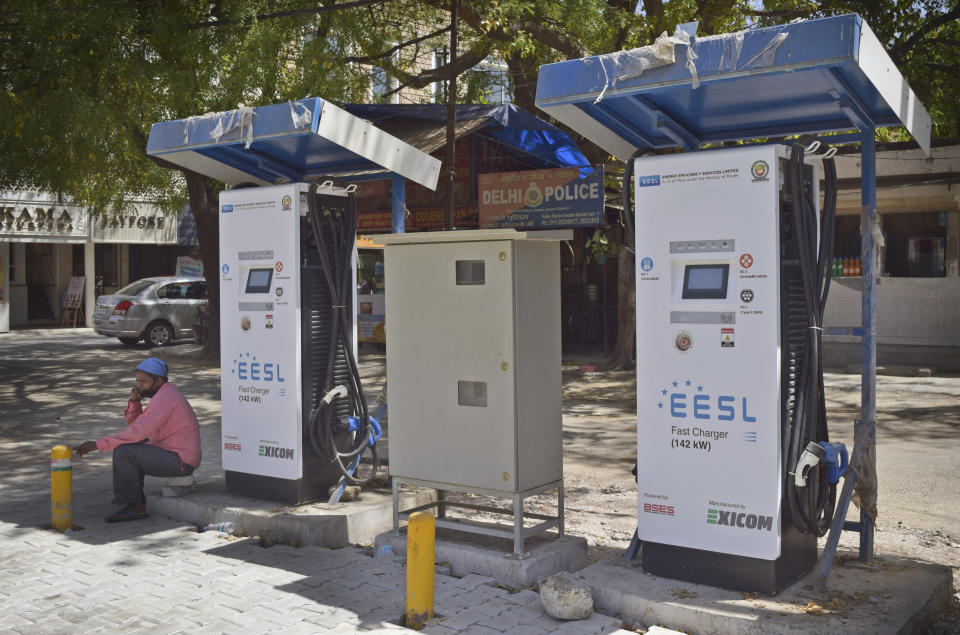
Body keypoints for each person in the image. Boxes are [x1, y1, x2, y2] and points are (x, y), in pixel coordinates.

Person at [74, 357, 202, 523]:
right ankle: (131, 498)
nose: (139, 386)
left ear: (159, 380)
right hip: (174, 455)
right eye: (137, 381)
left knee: (124, 452)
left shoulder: (166, 398)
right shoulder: (164, 394)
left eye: (144, 382)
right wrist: (135, 402)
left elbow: (137, 432)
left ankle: (134, 506)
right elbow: (138, 426)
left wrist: (97, 445)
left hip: (181, 461)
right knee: (129, 447)